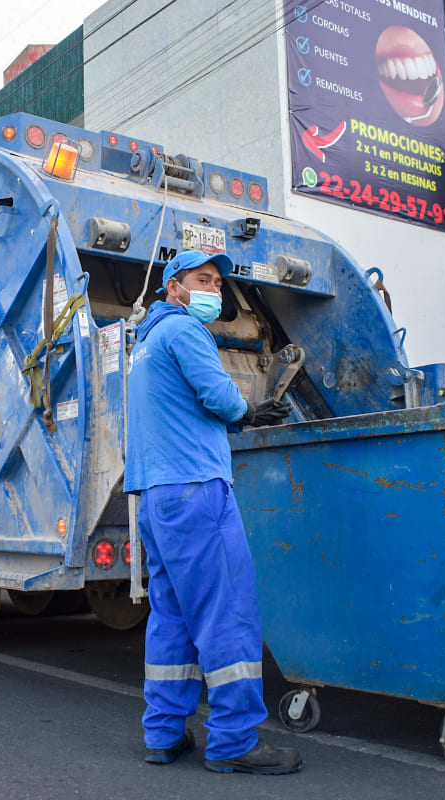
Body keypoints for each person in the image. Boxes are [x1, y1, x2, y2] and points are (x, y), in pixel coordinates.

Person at [124, 249, 302, 775]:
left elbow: (183, 407)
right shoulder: (183, 331)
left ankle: (163, 732)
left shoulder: (147, 341)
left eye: (219, 284)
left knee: (172, 617)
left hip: (156, 498)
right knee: (227, 612)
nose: (215, 290)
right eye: (203, 280)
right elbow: (219, 396)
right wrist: (248, 411)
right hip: (197, 490)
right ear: (173, 286)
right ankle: (233, 741)